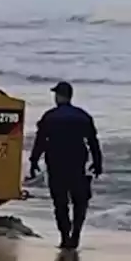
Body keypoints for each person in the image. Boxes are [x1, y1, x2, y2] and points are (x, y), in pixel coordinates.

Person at [28, 81, 103, 250]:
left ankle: (64, 236)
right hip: (77, 164)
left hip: (56, 164)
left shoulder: (50, 116)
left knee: (60, 203)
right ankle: (75, 234)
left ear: (59, 96)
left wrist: (34, 161)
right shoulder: (83, 116)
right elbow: (93, 142)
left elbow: (40, 141)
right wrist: (97, 163)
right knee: (80, 201)